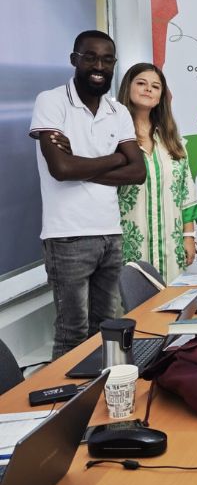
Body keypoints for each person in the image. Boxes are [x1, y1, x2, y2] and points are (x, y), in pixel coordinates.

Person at [29, 30, 146, 358]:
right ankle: (65, 393)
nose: (99, 66)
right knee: (73, 334)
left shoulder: (117, 112)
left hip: (110, 234)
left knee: (108, 329)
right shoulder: (51, 102)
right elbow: (61, 169)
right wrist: (116, 158)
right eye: (90, 57)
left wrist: (80, 162)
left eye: (107, 60)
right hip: (67, 236)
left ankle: (104, 389)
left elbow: (138, 172)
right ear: (74, 60)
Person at [113, 63, 197, 283]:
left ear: (161, 95)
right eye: (141, 83)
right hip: (128, 249)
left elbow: (186, 193)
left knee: (171, 301)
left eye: (155, 86)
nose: (148, 89)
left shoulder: (171, 140)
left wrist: (189, 237)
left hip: (171, 249)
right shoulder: (113, 136)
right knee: (132, 300)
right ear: (128, 87)